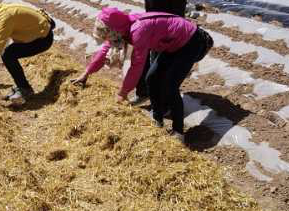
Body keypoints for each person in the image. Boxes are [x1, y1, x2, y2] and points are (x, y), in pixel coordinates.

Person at [78, 7, 213, 141]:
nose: (107, 38)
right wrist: (86, 73)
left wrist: (123, 93)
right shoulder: (121, 28)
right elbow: (104, 52)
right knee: (151, 78)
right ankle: (157, 118)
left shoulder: (138, 30)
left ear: (114, 30)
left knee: (170, 86)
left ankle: (178, 131)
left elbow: (137, 66)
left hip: (191, 41)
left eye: (107, 33)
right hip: (171, 44)